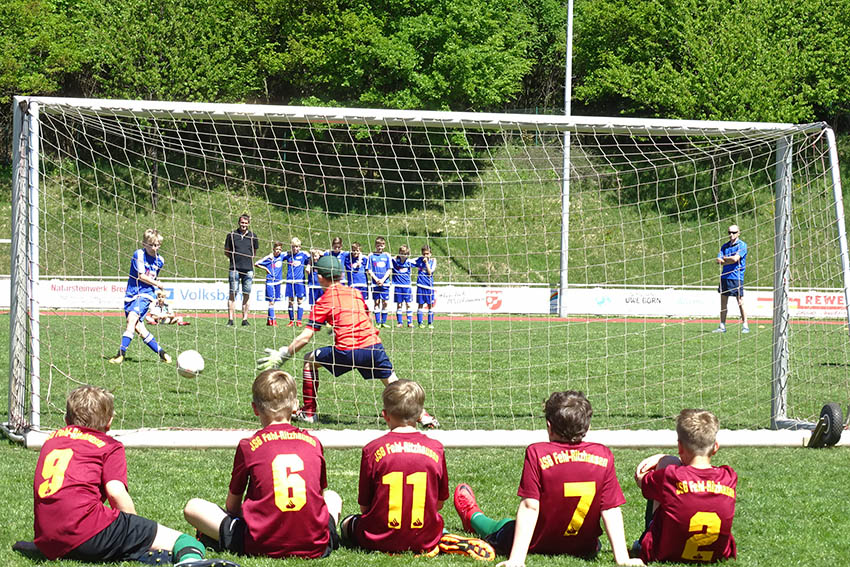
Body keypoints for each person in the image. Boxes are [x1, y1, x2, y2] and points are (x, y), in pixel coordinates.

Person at [33, 385, 237, 567]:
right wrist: (134, 530)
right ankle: (191, 562)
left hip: (47, 537)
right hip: (86, 531)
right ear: (109, 423)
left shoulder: (52, 440)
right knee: (185, 542)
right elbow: (115, 491)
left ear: (66, 420)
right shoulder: (109, 446)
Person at [453, 391, 643, 567]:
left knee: (502, 527)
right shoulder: (603, 455)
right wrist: (623, 558)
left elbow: (530, 506)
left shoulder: (537, 453)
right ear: (588, 427)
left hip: (538, 542)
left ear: (549, 427)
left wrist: (517, 559)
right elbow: (610, 508)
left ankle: (473, 516)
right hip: (585, 546)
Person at [256, 254, 439, 428]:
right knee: (393, 382)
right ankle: (423, 416)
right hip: (372, 346)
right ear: (341, 274)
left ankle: (309, 412)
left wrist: (284, 355)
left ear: (319, 277)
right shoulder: (355, 293)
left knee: (309, 360)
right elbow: (364, 315)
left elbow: (306, 336)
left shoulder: (324, 300)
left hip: (346, 351)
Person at [183, 370, 341, 559]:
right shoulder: (314, 443)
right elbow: (320, 498)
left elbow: (232, 506)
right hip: (315, 545)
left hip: (259, 544)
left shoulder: (248, 446)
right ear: (296, 406)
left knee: (192, 507)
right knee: (333, 497)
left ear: (255, 408)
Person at [339, 380, 493, 559]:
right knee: (430, 522)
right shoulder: (436, 449)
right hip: (424, 537)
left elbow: (365, 507)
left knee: (347, 524)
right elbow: (439, 503)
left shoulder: (372, 449)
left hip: (378, 538)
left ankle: (434, 535)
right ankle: (441, 535)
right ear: (420, 415)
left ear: (385, 415)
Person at [633, 409, 737, 563]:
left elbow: (640, 479)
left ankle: (643, 541)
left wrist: (662, 459)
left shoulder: (671, 476)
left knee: (662, 477)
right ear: (715, 447)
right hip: (717, 555)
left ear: (680, 447)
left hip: (664, 553)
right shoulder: (729, 476)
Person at [108, 229, 172, 364]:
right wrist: (158, 284)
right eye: (152, 245)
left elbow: (151, 279)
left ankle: (120, 355)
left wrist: (157, 290)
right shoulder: (139, 254)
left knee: (131, 320)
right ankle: (163, 354)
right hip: (131, 294)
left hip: (145, 295)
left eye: (158, 245)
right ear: (144, 243)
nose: (155, 248)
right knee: (139, 328)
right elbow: (141, 275)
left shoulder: (160, 260)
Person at [224, 214, 259, 327]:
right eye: (242, 223)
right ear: (239, 223)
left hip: (248, 269)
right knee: (232, 293)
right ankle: (230, 319)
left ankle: (244, 319)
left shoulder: (253, 236)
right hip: (234, 268)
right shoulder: (231, 235)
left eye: (246, 223)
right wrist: (235, 260)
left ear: (248, 224)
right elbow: (227, 251)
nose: (243, 225)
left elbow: (254, 252)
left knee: (246, 293)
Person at [713, 225, 749, 334]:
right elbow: (718, 260)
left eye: (734, 232)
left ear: (739, 233)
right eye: (729, 232)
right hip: (724, 277)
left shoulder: (742, 245)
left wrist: (725, 259)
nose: (731, 234)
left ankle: (745, 325)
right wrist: (727, 260)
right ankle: (722, 326)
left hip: (736, 277)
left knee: (740, 302)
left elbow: (735, 259)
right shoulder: (724, 246)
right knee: (723, 303)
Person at [255, 241, 285, 326]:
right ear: (273, 249)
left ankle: (269, 320)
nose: (278, 251)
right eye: (276, 249)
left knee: (273, 301)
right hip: (270, 282)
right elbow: (256, 263)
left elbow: (290, 253)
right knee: (271, 301)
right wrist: (266, 269)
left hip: (278, 282)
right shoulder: (269, 258)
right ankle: (273, 320)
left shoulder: (282, 256)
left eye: (279, 249)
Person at [283, 237, 310, 327]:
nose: (295, 248)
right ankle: (291, 321)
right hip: (290, 281)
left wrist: (308, 265)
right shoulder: (288, 255)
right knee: (290, 301)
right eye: (293, 246)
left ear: (300, 247)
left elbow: (312, 258)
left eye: (297, 247)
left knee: (300, 301)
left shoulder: (303, 255)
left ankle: (299, 321)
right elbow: (278, 256)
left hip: (299, 281)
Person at [367, 237, 392, 327]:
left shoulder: (387, 256)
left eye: (381, 246)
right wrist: (376, 279)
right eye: (378, 245)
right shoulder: (371, 256)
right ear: (375, 246)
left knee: (385, 302)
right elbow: (369, 270)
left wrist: (382, 280)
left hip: (385, 283)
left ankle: (383, 322)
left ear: (384, 246)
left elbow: (389, 270)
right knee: (376, 302)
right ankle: (378, 322)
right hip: (375, 283)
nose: (379, 247)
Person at [392, 245, 414, 328]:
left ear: (407, 254)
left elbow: (418, 261)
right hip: (398, 286)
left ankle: (410, 322)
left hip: (407, 287)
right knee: (399, 305)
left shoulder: (409, 262)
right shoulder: (395, 261)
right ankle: (399, 322)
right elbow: (388, 257)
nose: (403, 255)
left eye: (405, 253)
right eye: (401, 253)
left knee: (408, 304)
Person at [415, 245, 437, 329]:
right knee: (420, 305)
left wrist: (426, 263)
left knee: (430, 305)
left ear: (430, 254)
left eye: (427, 254)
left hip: (429, 286)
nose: (425, 256)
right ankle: (420, 323)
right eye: (424, 254)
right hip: (420, 285)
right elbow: (409, 261)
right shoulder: (419, 260)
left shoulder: (433, 261)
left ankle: (430, 323)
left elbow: (430, 272)